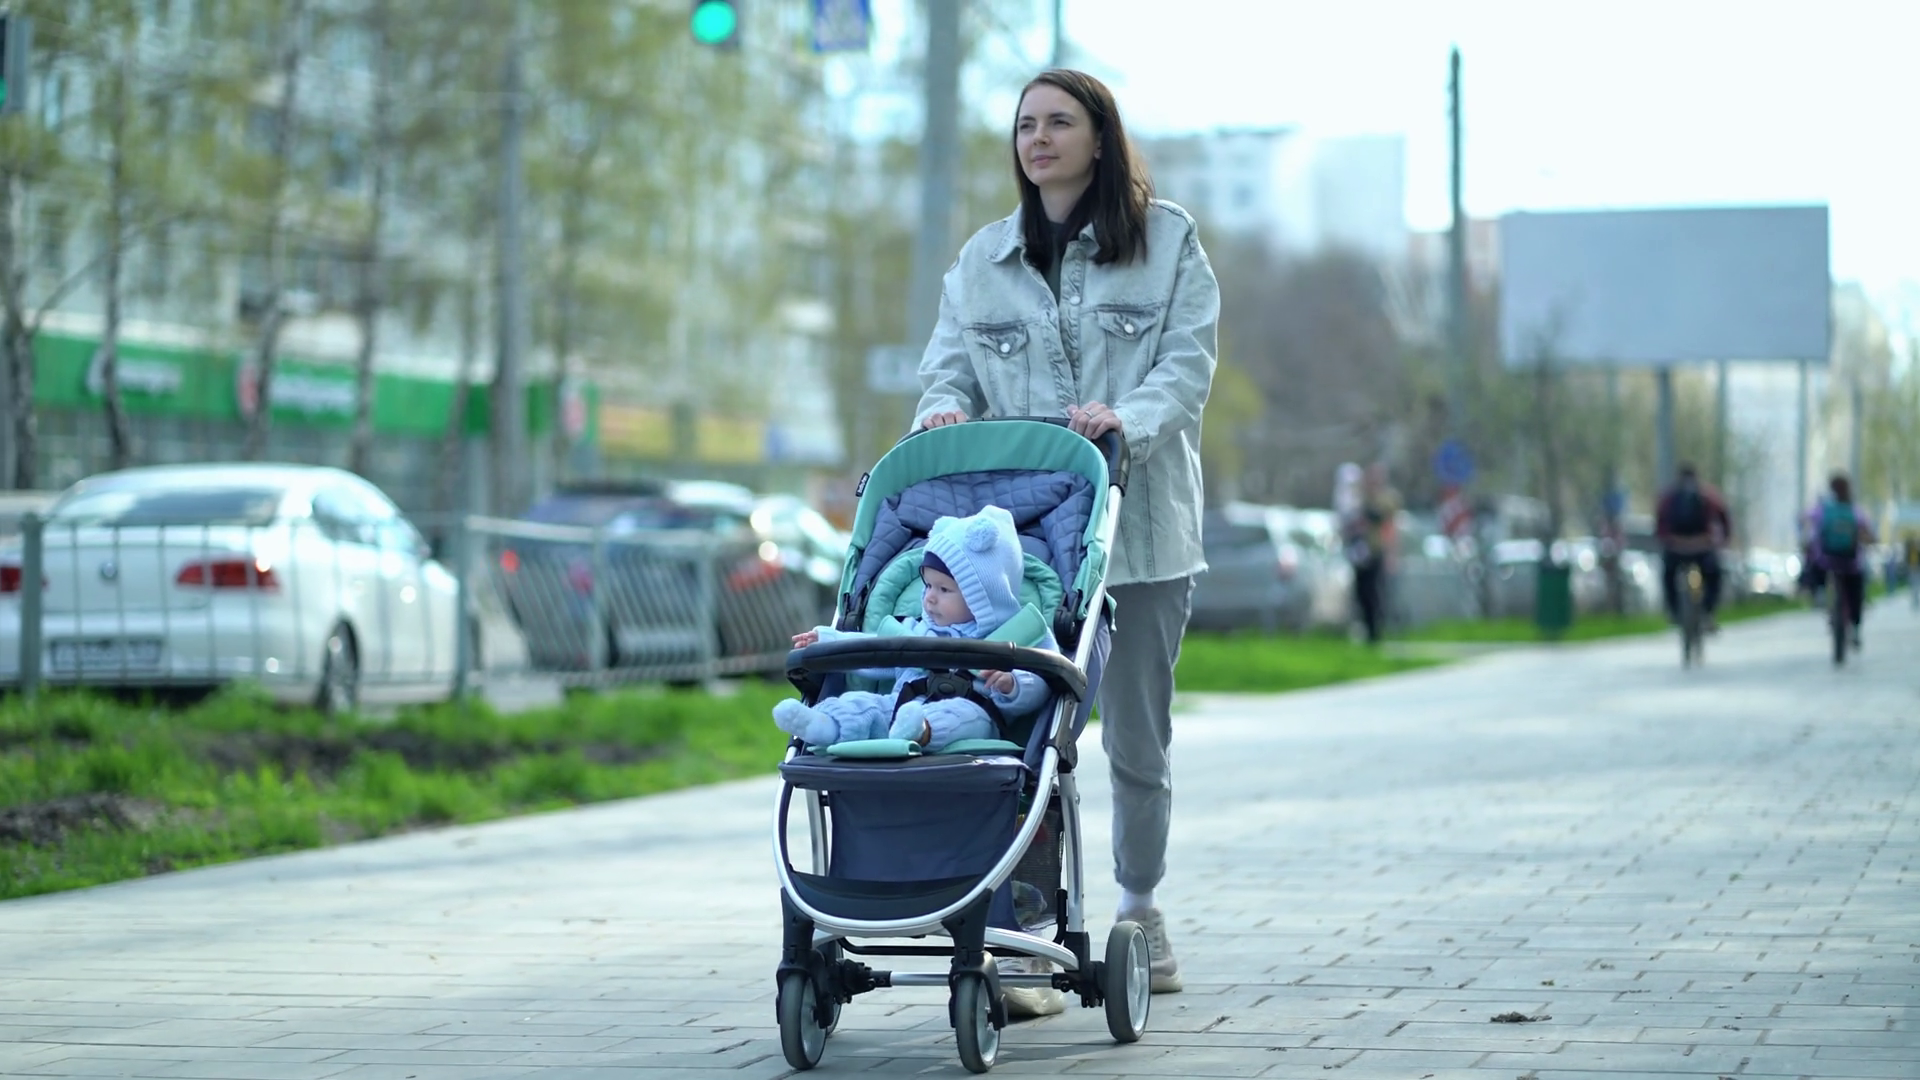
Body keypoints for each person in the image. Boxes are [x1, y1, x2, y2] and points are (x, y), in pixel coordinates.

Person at [912, 68, 1219, 1012]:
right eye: (1024, 126)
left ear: (1099, 137)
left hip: (1143, 534)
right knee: (1026, 734)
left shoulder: (1167, 242)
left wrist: (1128, 418)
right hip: (1029, 549)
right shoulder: (982, 260)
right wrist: (942, 410)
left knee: (1136, 738)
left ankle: (1139, 910)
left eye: (1058, 122)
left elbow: (1188, 363)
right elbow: (946, 367)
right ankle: (1029, 934)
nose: (1038, 139)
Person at [773, 506, 1058, 751]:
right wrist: (827, 639)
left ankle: (922, 731)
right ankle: (825, 724)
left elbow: (1045, 679)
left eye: (944, 589)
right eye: (928, 585)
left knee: (961, 716)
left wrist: (1013, 684)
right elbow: (873, 651)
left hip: (973, 711)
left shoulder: (1014, 635)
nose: (930, 597)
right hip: (899, 707)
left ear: (983, 597)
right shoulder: (917, 630)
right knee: (866, 705)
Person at [1654, 463, 1732, 628]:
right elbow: (1723, 517)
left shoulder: (1669, 499)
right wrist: (1724, 539)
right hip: (1699, 547)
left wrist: (1667, 540)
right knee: (1713, 574)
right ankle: (1706, 612)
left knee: (1669, 575)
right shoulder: (1708, 496)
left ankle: (1676, 613)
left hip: (1680, 548)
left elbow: (1659, 525)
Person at [1802, 473, 1875, 648]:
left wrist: (1807, 539)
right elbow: (1867, 533)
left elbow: (1803, 519)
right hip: (1851, 561)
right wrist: (1870, 540)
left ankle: (1818, 592)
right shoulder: (1855, 510)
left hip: (1826, 560)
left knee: (1812, 564)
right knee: (1856, 591)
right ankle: (1855, 628)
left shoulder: (1823, 509)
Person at [1342, 464, 1400, 644]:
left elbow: (1386, 522)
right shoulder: (1359, 497)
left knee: (1375, 592)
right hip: (1359, 552)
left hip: (1376, 550)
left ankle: (1376, 632)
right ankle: (1365, 628)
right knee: (1361, 591)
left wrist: (1392, 553)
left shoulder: (1386, 499)